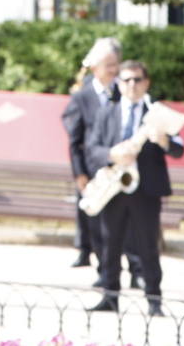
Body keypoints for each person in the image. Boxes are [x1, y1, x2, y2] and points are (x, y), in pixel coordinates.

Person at [85, 59, 184, 316]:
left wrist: (163, 140)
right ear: (119, 83)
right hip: (113, 189)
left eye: (137, 80)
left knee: (148, 247)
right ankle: (109, 297)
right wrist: (112, 153)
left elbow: (179, 148)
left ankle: (153, 300)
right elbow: (91, 150)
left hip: (145, 191)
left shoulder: (157, 112)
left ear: (146, 83)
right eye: (126, 80)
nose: (132, 85)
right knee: (110, 245)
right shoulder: (107, 112)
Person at [62, 36, 121, 270]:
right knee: (92, 219)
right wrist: (79, 173)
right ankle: (98, 263)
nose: (113, 71)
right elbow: (74, 140)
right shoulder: (82, 96)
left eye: (116, 64)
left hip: (117, 168)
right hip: (90, 166)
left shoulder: (123, 92)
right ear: (95, 67)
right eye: (108, 65)